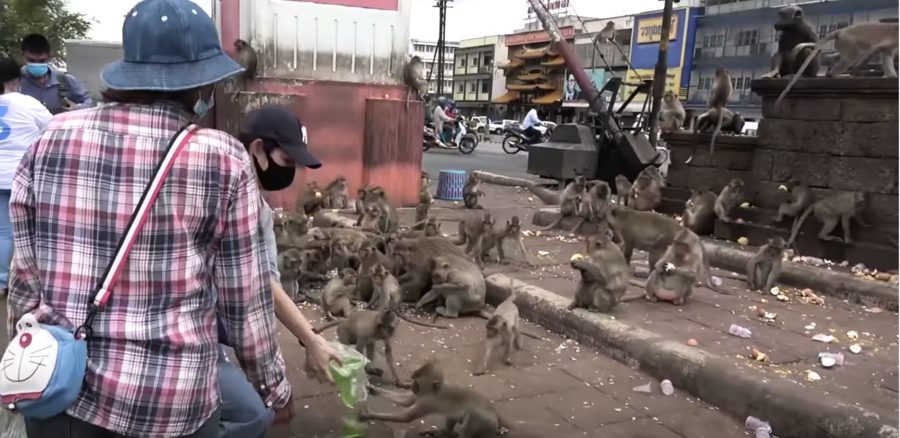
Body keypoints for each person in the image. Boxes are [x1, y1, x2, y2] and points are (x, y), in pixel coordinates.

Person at [7, 1, 291, 437]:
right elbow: (244, 303)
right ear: (201, 86)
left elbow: (26, 278)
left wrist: (27, 359)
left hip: (62, 395)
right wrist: (273, 391)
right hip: (168, 405)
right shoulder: (222, 159)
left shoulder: (51, 139)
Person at [216, 105, 343, 438]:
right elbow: (259, 287)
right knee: (253, 416)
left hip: (209, 327)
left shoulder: (255, 203)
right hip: (190, 335)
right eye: (287, 162)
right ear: (257, 149)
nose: (291, 173)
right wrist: (273, 374)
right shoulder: (241, 203)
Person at [0, 57, 52, 295]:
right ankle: (33, 280)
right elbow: (52, 128)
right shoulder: (27, 103)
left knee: (3, 232)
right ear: (16, 79)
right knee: (32, 229)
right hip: (23, 176)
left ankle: (1, 282)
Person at [19, 34, 93, 115]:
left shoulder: (64, 80)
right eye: (31, 60)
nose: (37, 64)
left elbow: (90, 102)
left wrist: (77, 109)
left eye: (42, 61)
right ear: (23, 56)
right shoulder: (16, 82)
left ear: (49, 58)